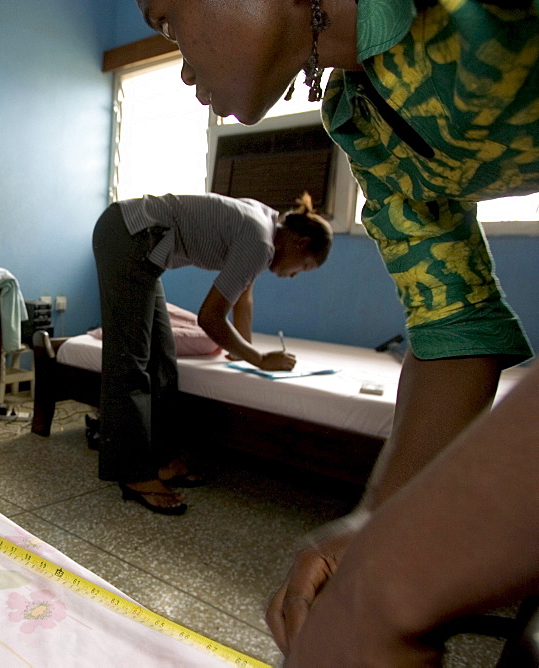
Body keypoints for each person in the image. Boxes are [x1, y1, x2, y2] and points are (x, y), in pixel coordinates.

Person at [132, 0, 539, 661]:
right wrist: (374, 524)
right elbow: (455, 325)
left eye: (168, 19)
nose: (181, 68)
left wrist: (395, 576)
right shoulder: (362, 120)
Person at [93, 192, 332, 514]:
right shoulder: (260, 241)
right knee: (131, 360)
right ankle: (134, 473)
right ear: (301, 243)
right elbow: (210, 316)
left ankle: (163, 459)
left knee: (162, 360)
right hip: (128, 232)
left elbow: (241, 296)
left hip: (141, 242)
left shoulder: (266, 226)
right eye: (302, 268)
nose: (292, 276)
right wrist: (258, 359)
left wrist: (242, 349)